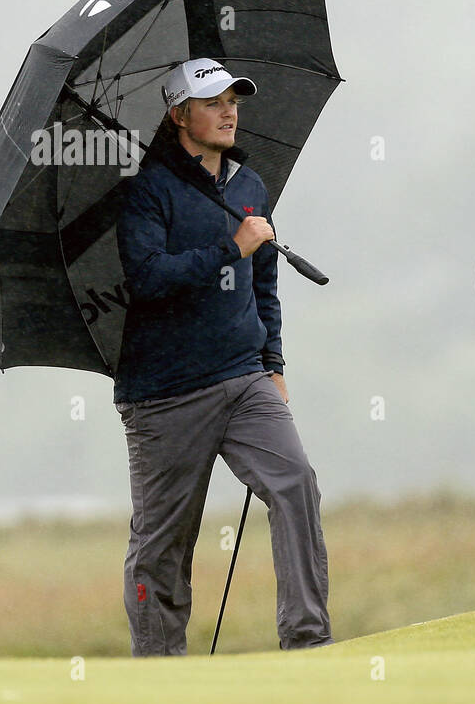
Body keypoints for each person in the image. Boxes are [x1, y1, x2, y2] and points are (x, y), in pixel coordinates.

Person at [111, 57, 332, 656]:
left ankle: (308, 641)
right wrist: (230, 246)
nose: (230, 111)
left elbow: (265, 287)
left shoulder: (250, 186)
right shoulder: (145, 189)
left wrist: (275, 365)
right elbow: (149, 277)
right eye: (213, 102)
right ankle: (159, 664)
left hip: (243, 377)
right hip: (163, 393)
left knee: (295, 483)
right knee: (163, 543)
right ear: (179, 115)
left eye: (234, 100)